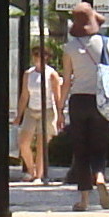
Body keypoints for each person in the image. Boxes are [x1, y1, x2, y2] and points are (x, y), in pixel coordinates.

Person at [60, 2, 109, 209]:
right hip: (100, 100)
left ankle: (84, 199)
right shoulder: (106, 43)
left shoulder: (70, 48)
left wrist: (60, 109)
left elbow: (67, 81)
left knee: (81, 149)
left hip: (78, 100)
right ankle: (100, 175)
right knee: (99, 145)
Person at [15, 47, 64, 184]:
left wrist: (60, 114)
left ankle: (39, 175)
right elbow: (24, 95)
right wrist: (19, 114)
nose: (37, 59)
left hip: (47, 111)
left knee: (42, 145)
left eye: (40, 56)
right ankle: (31, 170)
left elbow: (57, 96)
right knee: (23, 143)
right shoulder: (28, 74)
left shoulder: (51, 75)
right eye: (35, 55)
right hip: (31, 110)